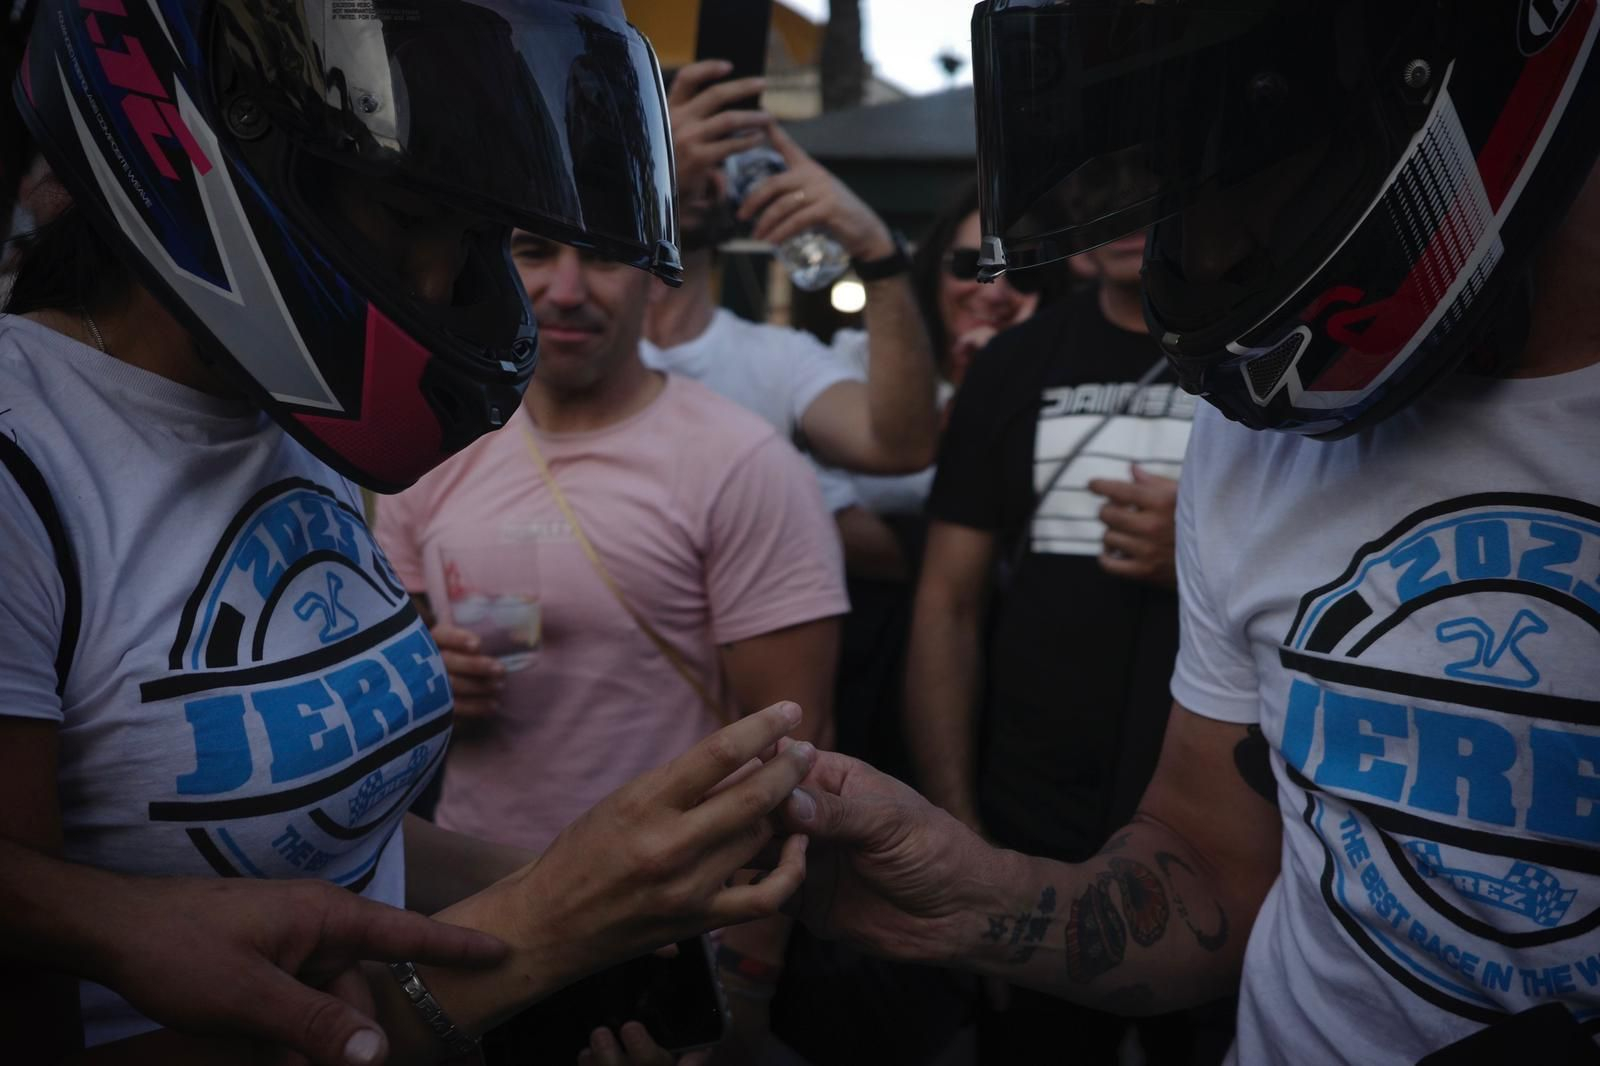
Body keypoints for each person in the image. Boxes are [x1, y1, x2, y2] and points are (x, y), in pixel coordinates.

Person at [777, 2, 1600, 1063]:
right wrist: (976, 898)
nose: (1206, 233)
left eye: (1245, 138)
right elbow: (1212, 869)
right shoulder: (1255, 433)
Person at [1, 2, 814, 1062]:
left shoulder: (284, 414)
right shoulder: (26, 462)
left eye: (477, 238)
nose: (441, 284)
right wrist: (542, 930)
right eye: (410, 216)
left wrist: (609, 888)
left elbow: (325, 846)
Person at [374, 228, 849, 1059]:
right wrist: (427, 675)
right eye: (533, 250)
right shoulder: (435, 447)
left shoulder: (741, 461)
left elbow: (795, 750)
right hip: (468, 911)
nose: (566, 289)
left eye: (601, 256)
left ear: (654, 276)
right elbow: (387, 667)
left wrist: (745, 979)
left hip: (663, 924)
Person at [904, 229, 1234, 1064]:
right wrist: (963, 842)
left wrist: (1201, 554)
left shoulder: (1276, 357)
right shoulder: (1014, 363)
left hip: (1233, 845)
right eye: (1099, 183)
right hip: (1031, 822)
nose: (1125, 209)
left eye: (1152, 178)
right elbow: (946, 606)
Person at [643, 60, 939, 495]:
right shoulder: (563, 329)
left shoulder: (781, 360)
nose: (706, 176)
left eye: (722, 156)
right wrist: (644, 188)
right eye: (680, 150)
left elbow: (901, 449)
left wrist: (878, 253)